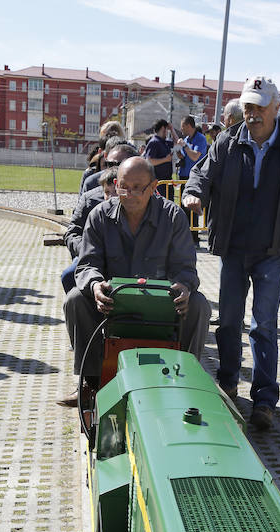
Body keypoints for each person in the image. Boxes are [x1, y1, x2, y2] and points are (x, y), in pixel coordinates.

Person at [183, 75, 280, 430]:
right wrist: (194, 193)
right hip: (234, 247)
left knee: (264, 325)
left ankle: (264, 400)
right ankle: (229, 381)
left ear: (277, 107)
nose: (252, 114)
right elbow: (202, 173)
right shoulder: (226, 141)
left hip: (272, 250)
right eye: (247, 106)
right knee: (230, 320)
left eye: (259, 107)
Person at [58, 157, 211, 407]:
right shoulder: (99, 216)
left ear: (154, 187)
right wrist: (95, 285)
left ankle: (186, 377)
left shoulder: (173, 218)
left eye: (138, 187)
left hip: (161, 307)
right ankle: (91, 382)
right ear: (115, 184)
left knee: (199, 305)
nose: (129, 194)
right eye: (123, 187)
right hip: (110, 305)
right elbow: (87, 265)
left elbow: (186, 268)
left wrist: (183, 286)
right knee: (75, 299)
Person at [61, 167, 118, 295]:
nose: (111, 197)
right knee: (68, 276)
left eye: (115, 192)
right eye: (107, 192)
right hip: (91, 255)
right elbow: (72, 233)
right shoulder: (89, 200)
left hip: (120, 259)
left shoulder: (133, 205)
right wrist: (87, 250)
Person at [176, 116, 208, 246]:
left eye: (182, 126)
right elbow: (185, 156)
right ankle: (185, 236)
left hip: (195, 178)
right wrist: (179, 152)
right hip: (184, 175)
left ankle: (195, 238)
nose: (181, 129)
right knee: (184, 209)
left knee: (193, 208)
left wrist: (185, 147)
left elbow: (195, 157)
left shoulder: (201, 139)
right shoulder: (186, 139)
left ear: (189, 125)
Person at [143, 119, 177, 198]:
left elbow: (177, 142)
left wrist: (172, 129)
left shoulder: (164, 142)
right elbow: (149, 161)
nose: (167, 132)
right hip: (158, 182)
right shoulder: (154, 142)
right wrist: (165, 159)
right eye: (166, 129)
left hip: (167, 181)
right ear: (163, 128)